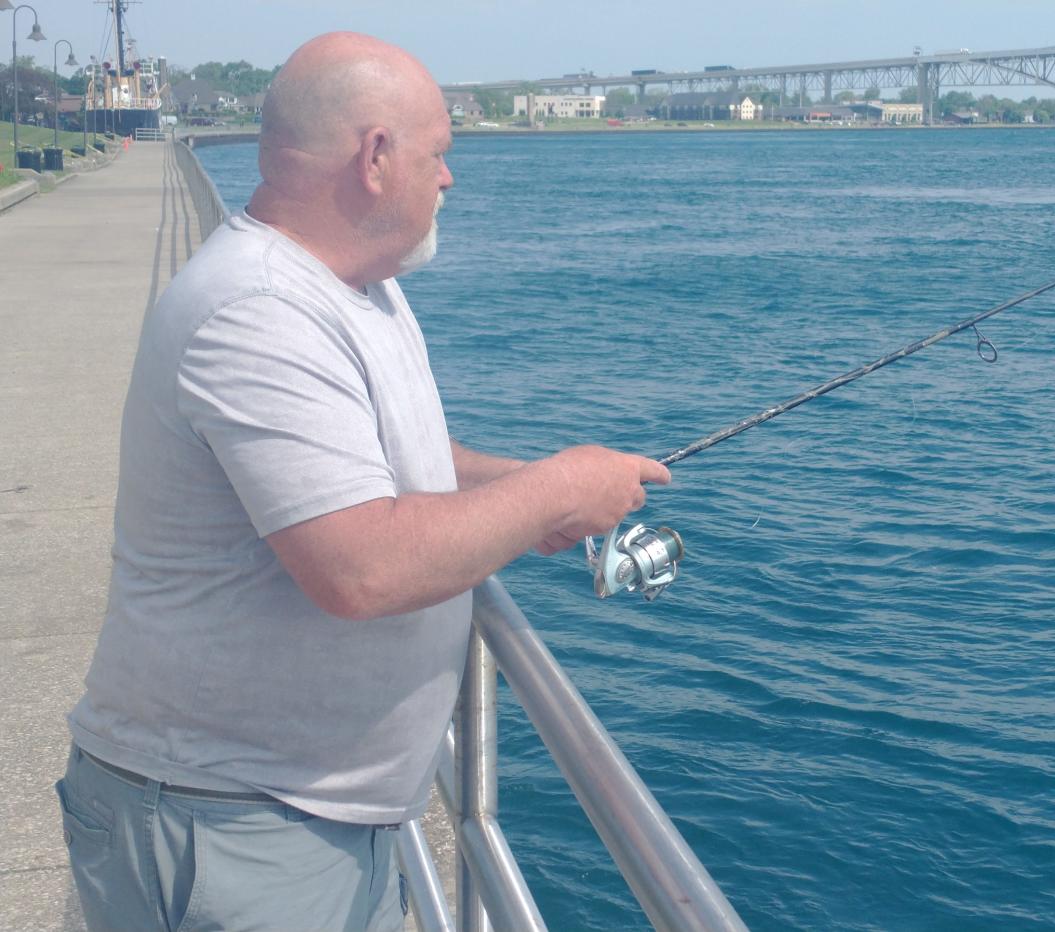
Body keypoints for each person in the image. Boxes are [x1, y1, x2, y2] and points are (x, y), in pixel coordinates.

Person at [58, 31, 669, 932]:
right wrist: (559, 488)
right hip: (231, 823)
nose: (451, 179)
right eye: (441, 154)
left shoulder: (355, 288)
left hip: (304, 815)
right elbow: (361, 569)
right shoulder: (259, 311)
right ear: (377, 158)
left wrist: (525, 491)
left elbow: (378, 458)